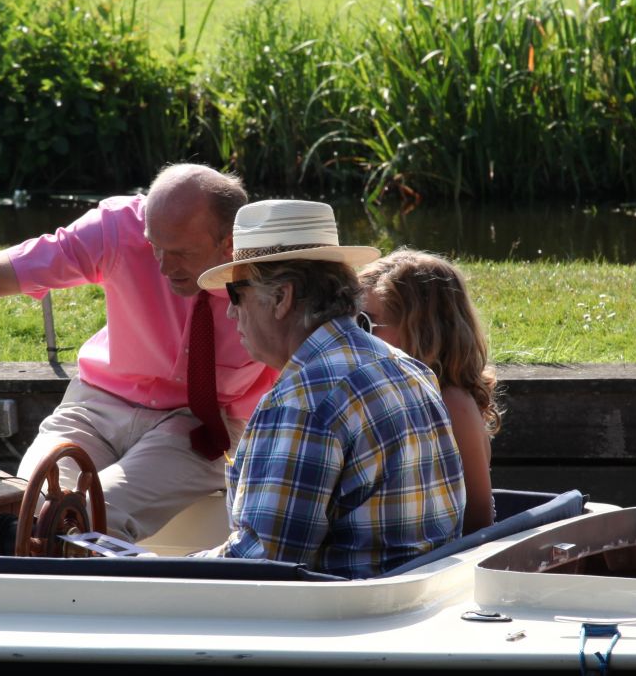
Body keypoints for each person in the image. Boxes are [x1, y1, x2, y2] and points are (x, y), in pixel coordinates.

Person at [0, 163, 278, 543]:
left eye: (180, 252)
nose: (163, 265)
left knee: (90, 516)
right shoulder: (119, 228)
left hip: (200, 425)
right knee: (29, 506)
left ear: (229, 242)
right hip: (96, 404)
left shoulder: (273, 275)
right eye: (153, 245)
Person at [196, 200, 465, 578]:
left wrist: (152, 569)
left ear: (281, 297)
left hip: (343, 622)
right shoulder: (407, 367)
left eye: (235, 293)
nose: (229, 311)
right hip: (414, 602)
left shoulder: (303, 400)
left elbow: (263, 567)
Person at [357, 249, 501, 533]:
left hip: (442, 565)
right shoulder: (385, 393)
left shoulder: (453, 402)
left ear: (422, 331)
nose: (355, 337)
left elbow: (479, 517)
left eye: (366, 323)